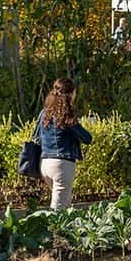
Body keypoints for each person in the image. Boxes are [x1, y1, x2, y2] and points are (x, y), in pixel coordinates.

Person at [36, 78, 92, 210]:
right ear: (71, 93)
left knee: (65, 205)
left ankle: (67, 230)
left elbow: (38, 136)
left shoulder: (44, 113)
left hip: (45, 164)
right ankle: (52, 231)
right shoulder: (66, 114)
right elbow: (87, 138)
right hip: (62, 165)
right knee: (58, 210)